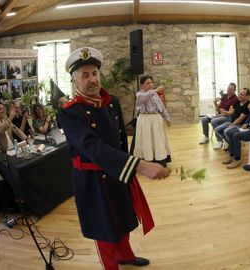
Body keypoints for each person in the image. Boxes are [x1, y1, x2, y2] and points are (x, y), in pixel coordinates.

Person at [58, 47, 169, 270]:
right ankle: (111, 266)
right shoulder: (69, 113)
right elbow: (92, 147)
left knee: (123, 218)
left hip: (118, 172)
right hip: (92, 180)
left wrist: (127, 167)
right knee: (105, 228)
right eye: (85, 75)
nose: (92, 79)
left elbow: (120, 140)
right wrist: (139, 165)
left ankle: (125, 255)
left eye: (95, 74)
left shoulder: (111, 102)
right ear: (74, 82)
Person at [134, 75, 172, 166]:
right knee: (147, 140)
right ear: (142, 85)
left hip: (157, 120)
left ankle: (160, 159)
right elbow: (145, 97)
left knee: (158, 140)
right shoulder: (139, 94)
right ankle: (148, 161)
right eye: (147, 83)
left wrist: (167, 117)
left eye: (151, 83)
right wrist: (156, 90)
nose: (150, 85)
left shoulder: (154, 94)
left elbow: (161, 106)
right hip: (145, 121)